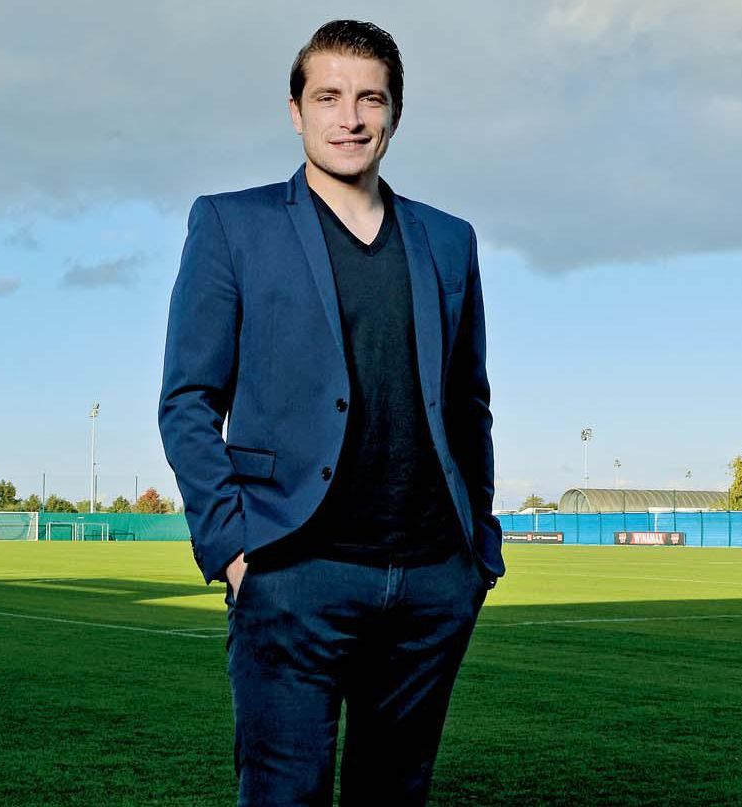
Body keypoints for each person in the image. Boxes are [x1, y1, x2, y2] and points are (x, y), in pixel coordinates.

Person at [158, 19, 504, 807]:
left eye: (369, 99)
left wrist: (476, 554)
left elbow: (467, 403)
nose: (349, 118)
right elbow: (187, 399)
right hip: (291, 569)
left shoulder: (448, 240)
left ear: (394, 113)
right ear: (295, 111)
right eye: (328, 97)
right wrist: (233, 548)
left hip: (431, 580)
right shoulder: (232, 223)